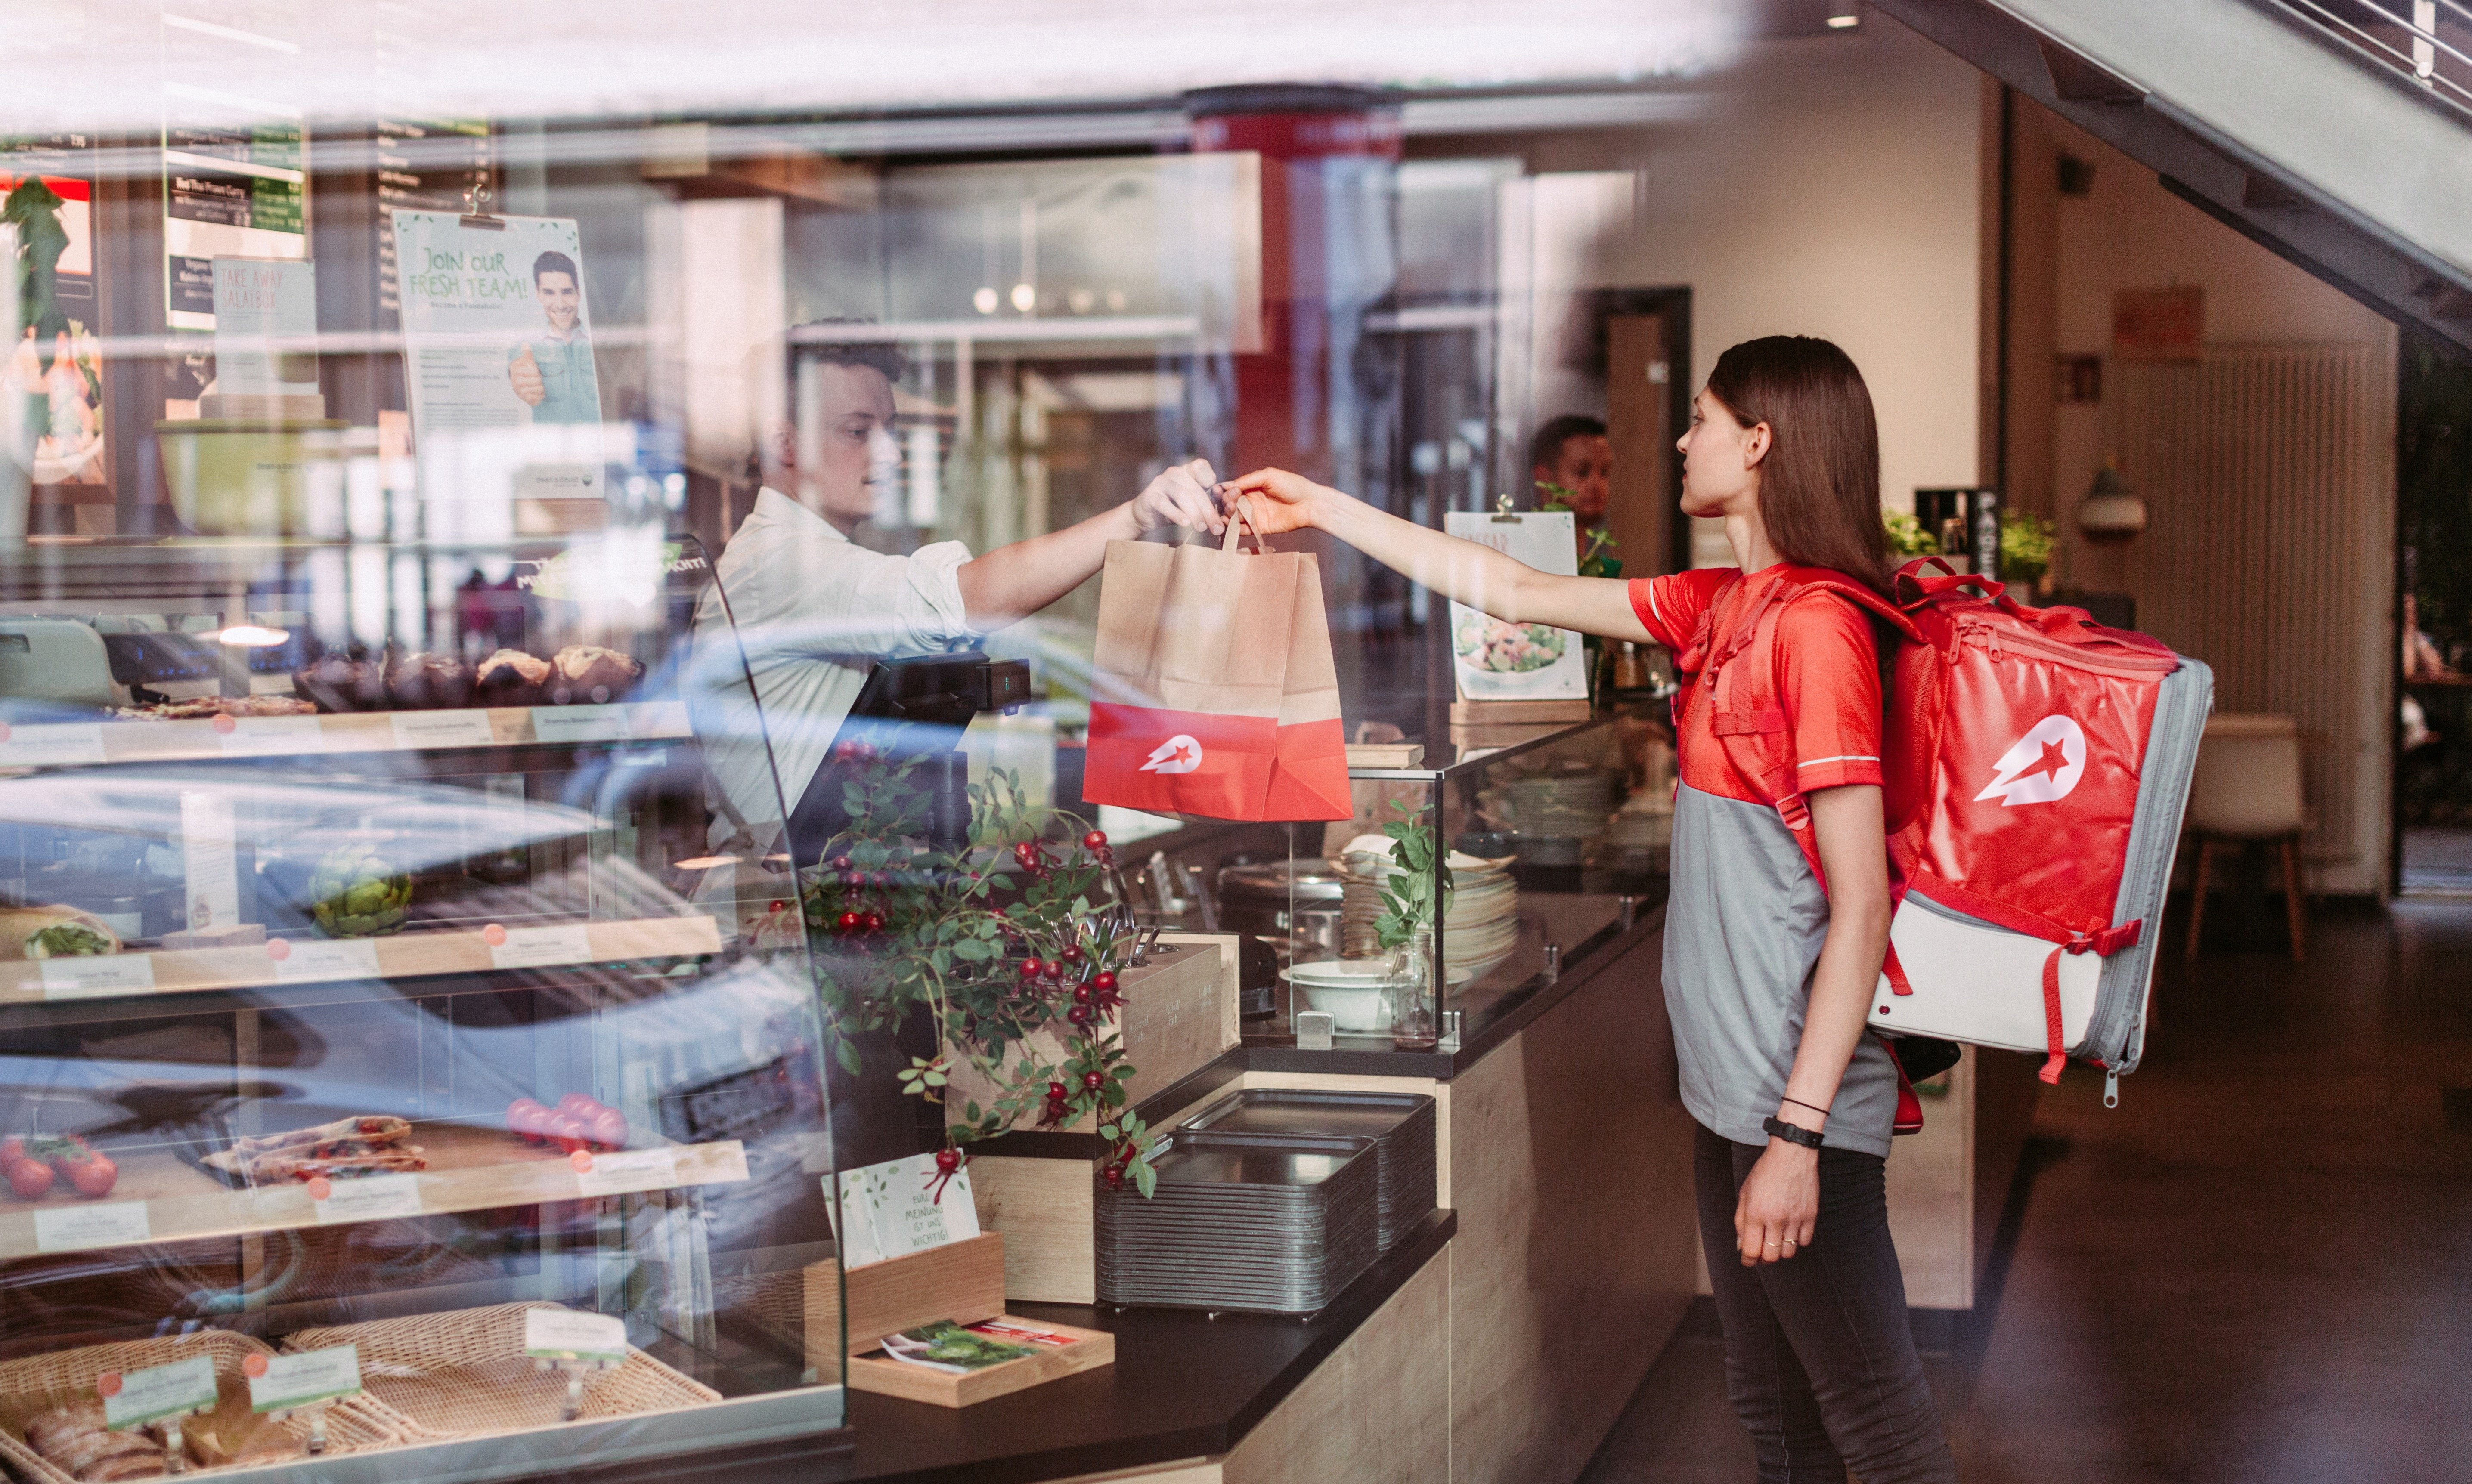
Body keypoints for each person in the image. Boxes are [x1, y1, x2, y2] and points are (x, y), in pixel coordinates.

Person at [1224, 335, 1958, 1484]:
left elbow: (1859, 907)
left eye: (1702, 416)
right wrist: (1323, 507)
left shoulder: (1814, 629)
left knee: (1876, 1428)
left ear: (1759, 442)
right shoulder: (1721, 606)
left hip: (1789, 1106)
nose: (1678, 436)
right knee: (1775, 1417)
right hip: (1734, 1097)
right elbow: (1510, 587)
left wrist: (1797, 1138)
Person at [690, 329, 1223, 852]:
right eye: (858, 432)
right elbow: (964, 601)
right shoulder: (781, 564)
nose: (890, 456)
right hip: (778, 913)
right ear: (784, 441)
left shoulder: (807, 559)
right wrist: (1134, 515)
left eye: (890, 430)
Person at [507, 250, 602, 424]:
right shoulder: (527, 347)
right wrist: (519, 378)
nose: (560, 304)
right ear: (538, 294)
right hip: (554, 451)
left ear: (578, 293)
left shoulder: (601, 340)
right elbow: (516, 368)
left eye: (567, 292)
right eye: (549, 293)